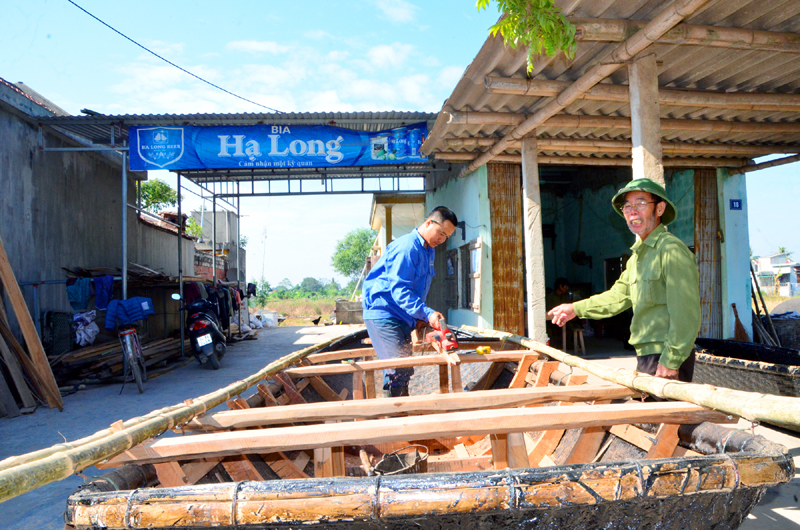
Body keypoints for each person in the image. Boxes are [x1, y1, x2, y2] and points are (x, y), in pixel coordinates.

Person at [548, 178, 700, 381]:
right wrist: (575, 308)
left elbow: (686, 313)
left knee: (666, 413)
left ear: (660, 208)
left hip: (666, 355)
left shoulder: (670, 250)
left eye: (641, 204)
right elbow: (617, 298)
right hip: (647, 354)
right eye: (627, 207)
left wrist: (672, 360)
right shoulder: (638, 257)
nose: (632, 211)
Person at [362, 206, 458, 396]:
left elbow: (416, 290)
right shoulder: (407, 248)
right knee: (397, 372)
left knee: (402, 370)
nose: (442, 239)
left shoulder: (428, 250)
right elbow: (400, 291)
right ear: (429, 223)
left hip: (401, 316)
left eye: (446, 237)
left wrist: (418, 318)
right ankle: (396, 422)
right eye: (441, 233)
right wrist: (428, 313)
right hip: (385, 314)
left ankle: (400, 417)